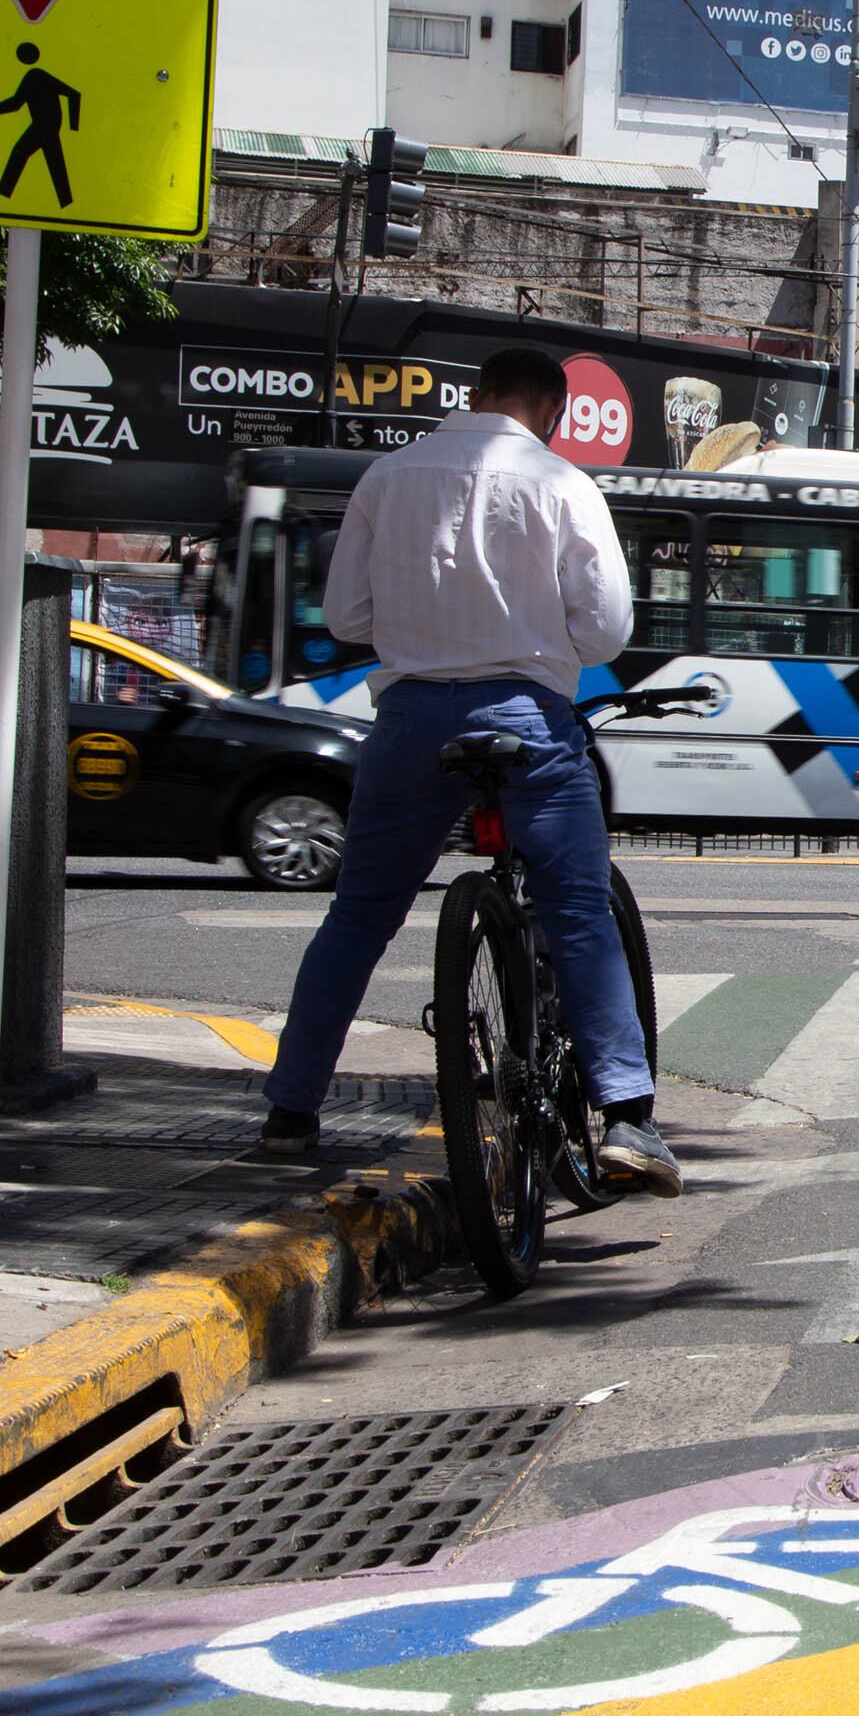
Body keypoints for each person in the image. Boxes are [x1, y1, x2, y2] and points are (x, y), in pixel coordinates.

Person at [257, 347, 680, 1196]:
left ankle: (291, 1114)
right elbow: (603, 634)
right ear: (553, 413)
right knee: (579, 912)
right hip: (526, 720)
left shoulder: (386, 477)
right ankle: (628, 1117)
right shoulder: (562, 482)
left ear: (475, 393)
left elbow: (346, 616)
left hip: (410, 722)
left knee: (357, 920)